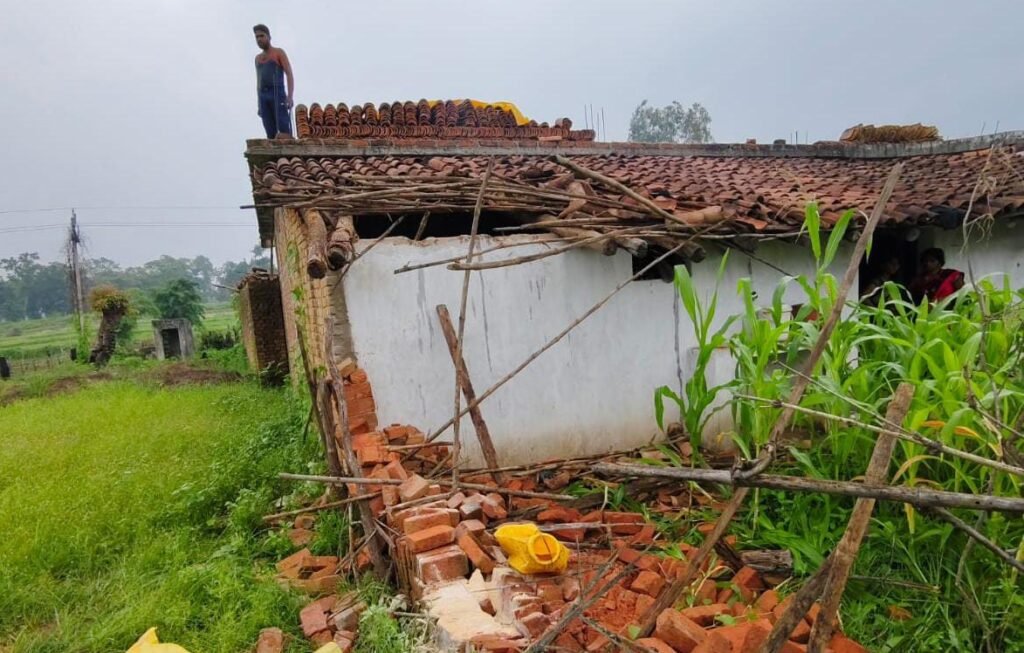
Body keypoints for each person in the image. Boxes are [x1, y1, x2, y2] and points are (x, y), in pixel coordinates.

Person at [253, 24, 294, 139]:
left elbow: (289, 74)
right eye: (257, 37)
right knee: (269, 131)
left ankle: (287, 145)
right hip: (263, 95)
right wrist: (259, 104)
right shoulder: (257, 59)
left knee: (283, 129)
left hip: (277, 92)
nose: (259, 39)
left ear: (269, 37)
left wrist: (289, 97)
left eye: (262, 36)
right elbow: (258, 80)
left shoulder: (278, 53)